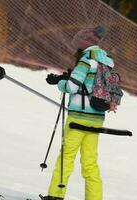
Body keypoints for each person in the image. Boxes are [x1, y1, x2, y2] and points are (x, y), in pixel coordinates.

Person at [41, 26, 123, 200]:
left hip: (77, 118)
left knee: (66, 157)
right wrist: (68, 77)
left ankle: (55, 195)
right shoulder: (106, 61)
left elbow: (72, 87)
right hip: (97, 118)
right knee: (90, 162)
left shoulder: (86, 60)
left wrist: (60, 83)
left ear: (83, 44)